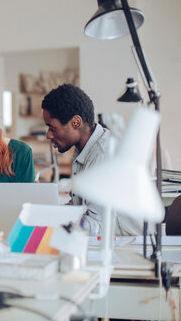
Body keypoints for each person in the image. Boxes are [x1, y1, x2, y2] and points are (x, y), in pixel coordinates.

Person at [41, 83, 141, 235]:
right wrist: (46, 209)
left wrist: (51, 218)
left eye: (52, 128)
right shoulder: (84, 150)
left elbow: (98, 227)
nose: (48, 135)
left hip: (125, 244)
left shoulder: (102, 155)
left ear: (76, 122)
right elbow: (79, 208)